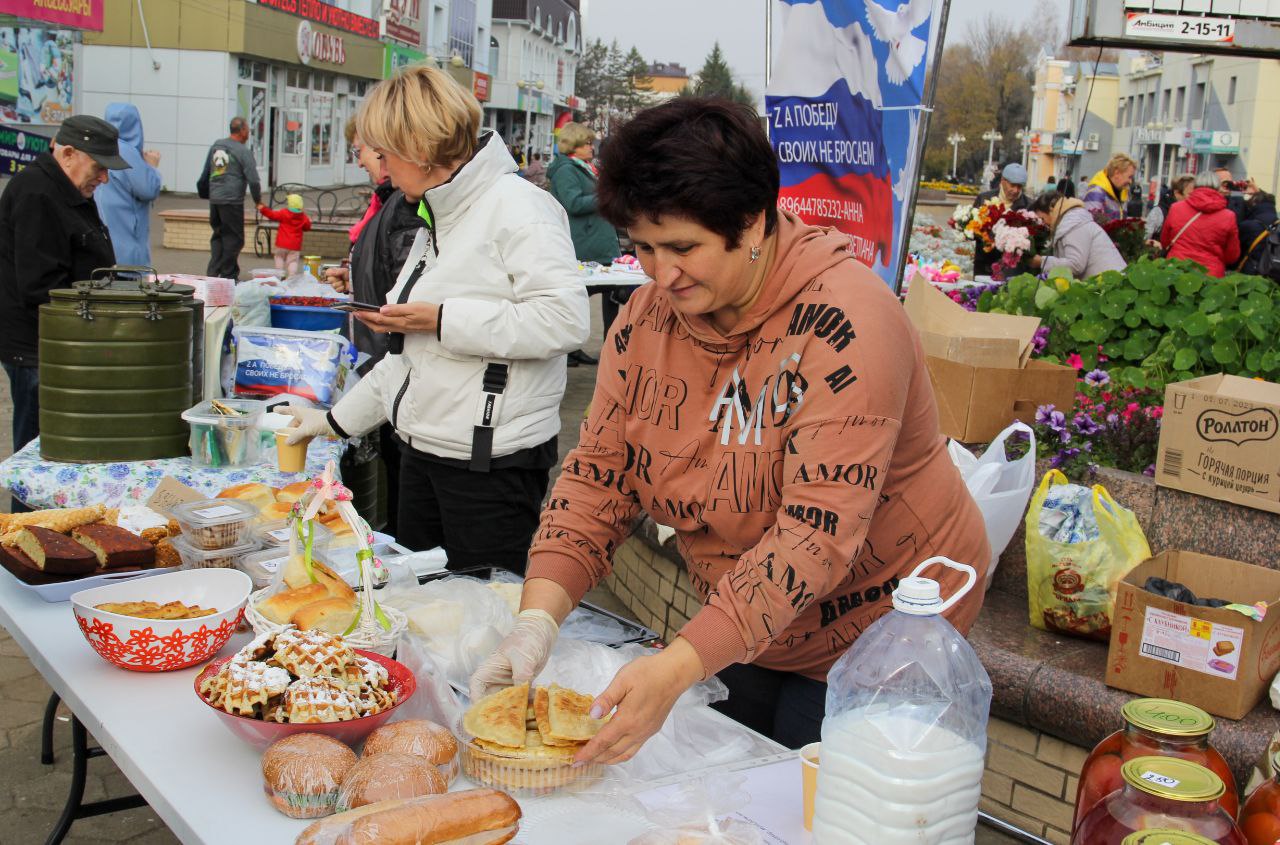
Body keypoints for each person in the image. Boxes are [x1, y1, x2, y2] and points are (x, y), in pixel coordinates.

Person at [469, 98, 989, 759]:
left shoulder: (851, 323)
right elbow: (597, 480)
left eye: (684, 247)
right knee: (733, 782)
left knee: (819, 803)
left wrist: (681, 663)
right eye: (645, 248)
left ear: (754, 224)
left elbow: (813, 536)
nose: (662, 274)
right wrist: (535, 622)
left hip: (884, 628)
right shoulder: (645, 322)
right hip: (750, 611)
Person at [280, 66, 589, 571]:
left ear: (418, 149)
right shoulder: (438, 212)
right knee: (421, 612)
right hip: (424, 449)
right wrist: (330, 423)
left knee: (482, 621)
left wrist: (441, 320)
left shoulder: (520, 209)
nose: (378, 164)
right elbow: (411, 359)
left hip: (488, 465)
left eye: (383, 152)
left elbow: (565, 320)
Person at [0, 115, 126, 477]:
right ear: (68, 153)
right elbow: (42, 287)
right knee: (40, 455)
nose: (104, 178)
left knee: (54, 450)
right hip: (39, 348)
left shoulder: (66, 188)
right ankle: (28, 529)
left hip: (58, 344)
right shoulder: (37, 193)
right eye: (100, 167)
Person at [325, 117, 426, 537]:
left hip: (397, 372)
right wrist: (355, 277)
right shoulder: (391, 201)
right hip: (385, 367)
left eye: (366, 152)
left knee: (406, 497)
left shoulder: (405, 206)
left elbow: (410, 292)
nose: (365, 162)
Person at [548, 122, 622, 366]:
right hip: (584, 244)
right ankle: (568, 349)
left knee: (612, 295)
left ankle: (610, 348)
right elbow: (573, 203)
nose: (592, 147)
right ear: (574, 146)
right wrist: (604, 196)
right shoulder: (566, 170)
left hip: (599, 243)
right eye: (587, 143)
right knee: (580, 297)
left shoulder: (584, 167)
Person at [96, 103, 162, 267]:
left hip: (104, 243)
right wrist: (152, 166)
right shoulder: (126, 151)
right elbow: (148, 189)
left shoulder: (99, 147)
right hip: (127, 250)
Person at [199, 116, 261, 279]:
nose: (248, 133)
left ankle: (213, 273)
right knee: (234, 238)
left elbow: (206, 171)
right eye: (247, 130)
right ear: (241, 131)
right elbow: (253, 180)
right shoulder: (243, 151)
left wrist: (209, 194)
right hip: (232, 201)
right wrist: (258, 201)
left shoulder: (216, 146)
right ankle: (228, 275)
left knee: (219, 235)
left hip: (216, 199)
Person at [1028, 191, 1126, 279]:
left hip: (1112, 286)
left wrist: (1041, 261)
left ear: (1051, 209)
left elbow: (1076, 265)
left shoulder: (1073, 223)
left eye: (1042, 219)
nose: (1043, 224)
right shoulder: (1071, 220)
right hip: (1107, 285)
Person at [1161, 170, 1240, 277]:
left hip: (1177, 268)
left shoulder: (1176, 208)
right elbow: (1232, 255)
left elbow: (1165, 241)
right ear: (1218, 188)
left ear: (1196, 185)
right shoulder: (1228, 216)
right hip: (1211, 274)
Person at [971, 162, 1029, 277]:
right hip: (983, 266)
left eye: (1019, 186)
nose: (1016, 190)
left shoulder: (1029, 206)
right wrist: (986, 238)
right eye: (1012, 185)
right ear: (1003, 181)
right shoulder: (984, 199)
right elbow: (971, 229)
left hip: (1011, 271)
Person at [257, 194, 312, 277]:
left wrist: (263, 208)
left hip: (281, 244)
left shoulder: (284, 213)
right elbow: (307, 227)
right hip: (294, 245)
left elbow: (272, 215)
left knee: (279, 257)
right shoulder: (303, 217)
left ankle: (279, 275)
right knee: (292, 261)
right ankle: (291, 276)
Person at [1082, 153, 1137, 224]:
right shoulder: (1096, 193)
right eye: (1129, 177)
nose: (1130, 181)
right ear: (1117, 173)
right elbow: (1091, 227)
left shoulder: (1123, 193)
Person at [1145, 174, 1194, 249]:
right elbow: (1144, 237)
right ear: (1177, 193)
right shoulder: (1159, 212)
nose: (1194, 198)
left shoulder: (1193, 213)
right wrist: (1157, 245)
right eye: (1190, 194)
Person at [1236, 190, 1277, 275]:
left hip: (1251, 275)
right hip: (1274, 272)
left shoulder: (1248, 226)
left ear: (1254, 203)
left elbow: (1235, 252)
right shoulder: (1277, 224)